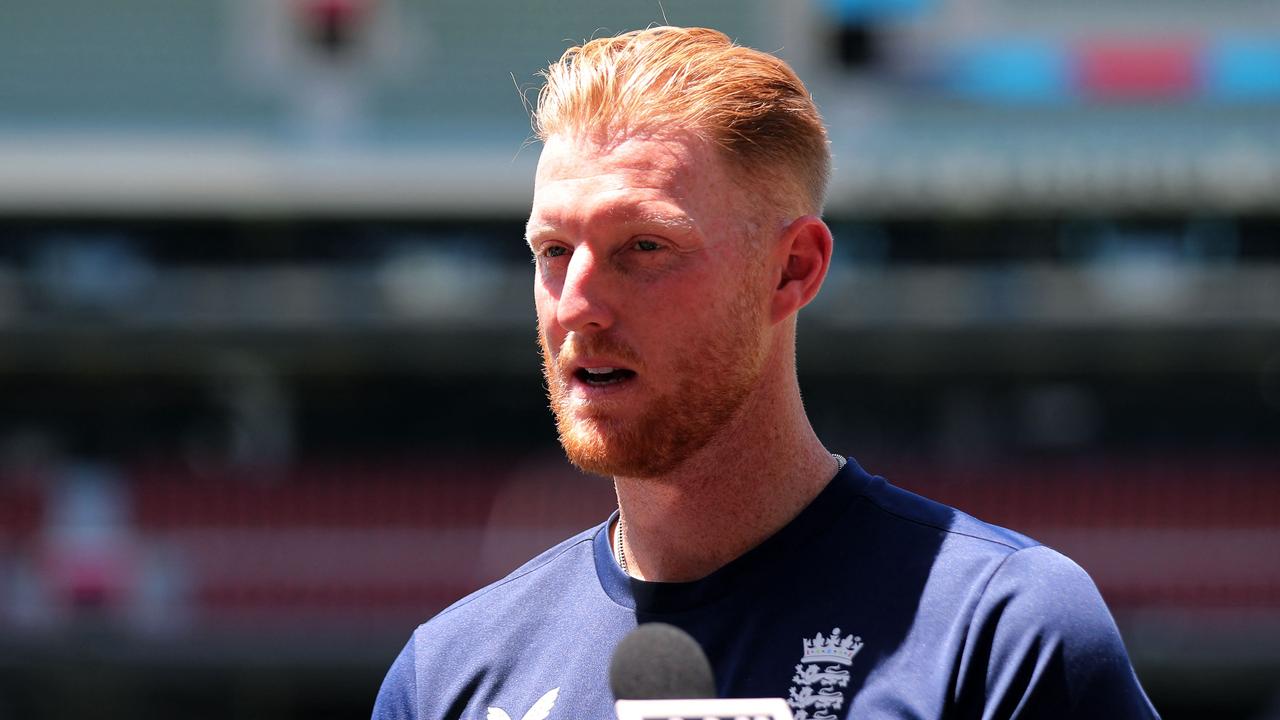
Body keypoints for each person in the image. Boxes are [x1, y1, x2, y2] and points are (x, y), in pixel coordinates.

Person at [373, 26, 1159, 720]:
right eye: (553, 252)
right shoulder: (448, 676)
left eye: (643, 248)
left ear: (793, 268)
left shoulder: (999, 631)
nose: (577, 303)